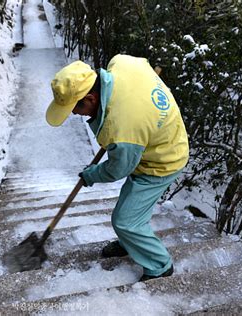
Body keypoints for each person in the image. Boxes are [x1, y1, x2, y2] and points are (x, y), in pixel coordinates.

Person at [45, 54, 189, 281]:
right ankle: (131, 241)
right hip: (155, 137)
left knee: (125, 220)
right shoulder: (121, 63)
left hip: (163, 160)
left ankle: (160, 266)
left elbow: (118, 169)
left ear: (91, 98)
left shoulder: (121, 130)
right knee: (130, 208)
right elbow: (143, 63)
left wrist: (91, 175)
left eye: (74, 107)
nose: (73, 113)